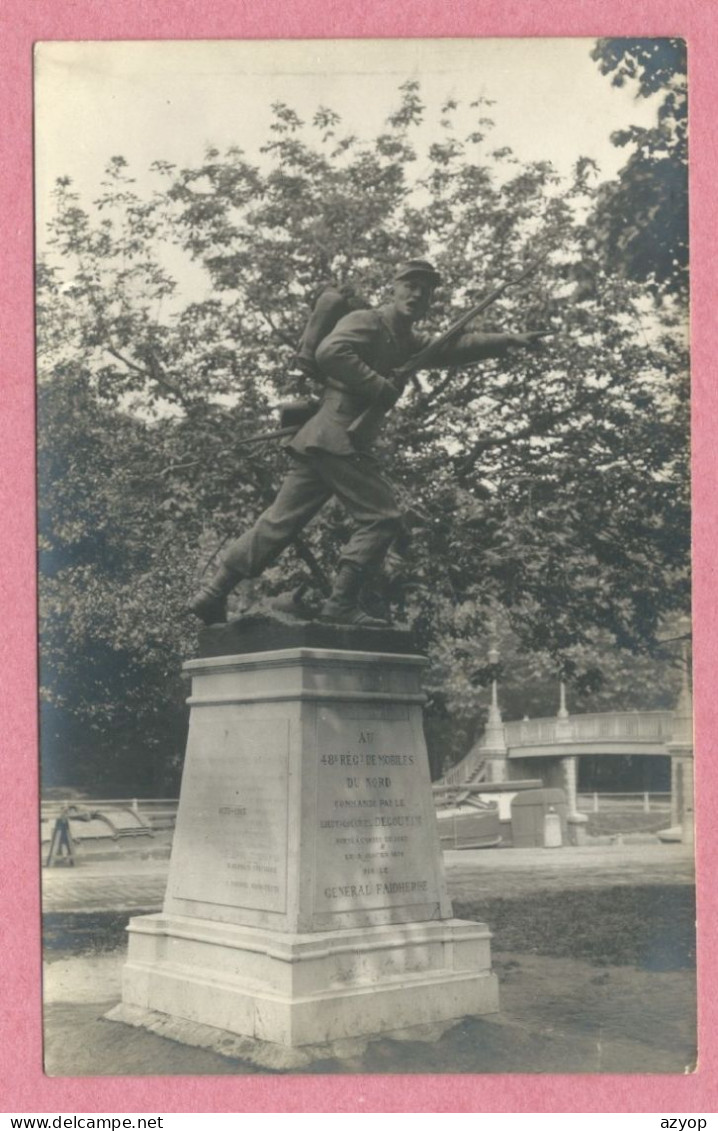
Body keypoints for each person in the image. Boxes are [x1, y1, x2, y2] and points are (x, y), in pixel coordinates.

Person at [190, 259, 546, 628]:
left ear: (430, 301)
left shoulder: (405, 338)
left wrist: (508, 340)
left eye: (425, 290)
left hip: (322, 438)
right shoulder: (368, 321)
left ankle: (213, 593)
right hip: (337, 435)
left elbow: (452, 347)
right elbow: (331, 352)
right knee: (382, 518)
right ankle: (340, 603)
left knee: (278, 523)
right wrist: (379, 386)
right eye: (410, 285)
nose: (417, 293)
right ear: (393, 287)